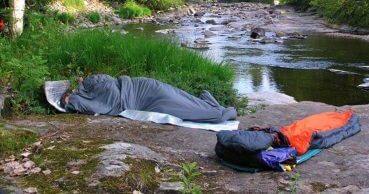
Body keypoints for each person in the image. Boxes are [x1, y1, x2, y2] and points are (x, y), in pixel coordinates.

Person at [62, 74, 237, 123]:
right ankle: (208, 101)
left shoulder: (106, 96)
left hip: (153, 95)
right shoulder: (101, 82)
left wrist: (70, 100)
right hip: (149, 87)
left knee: (213, 116)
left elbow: (76, 103)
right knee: (186, 100)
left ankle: (221, 111)